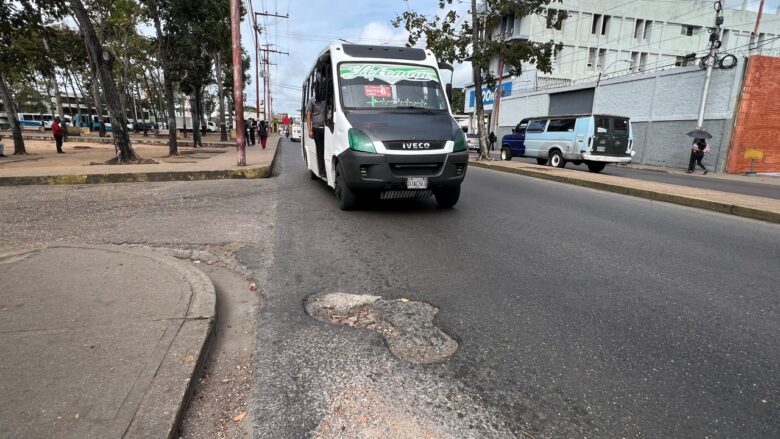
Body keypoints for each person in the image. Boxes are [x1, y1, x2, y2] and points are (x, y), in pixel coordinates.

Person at [306, 84, 327, 176]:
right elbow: (308, 115)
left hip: (327, 128)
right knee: (320, 150)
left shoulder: (327, 99)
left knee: (328, 149)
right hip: (317, 128)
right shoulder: (312, 100)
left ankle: (327, 168)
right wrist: (310, 130)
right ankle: (322, 171)